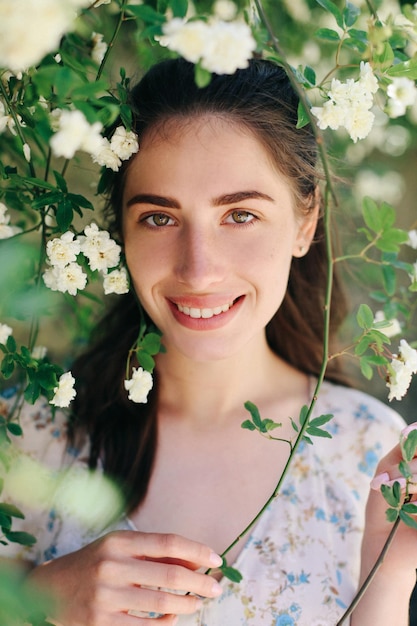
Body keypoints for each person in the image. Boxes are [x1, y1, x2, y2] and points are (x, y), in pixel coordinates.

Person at [1, 57, 416, 626]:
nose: (198, 271)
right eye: (158, 219)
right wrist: (35, 603)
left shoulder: (369, 452)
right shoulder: (28, 434)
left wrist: (388, 580)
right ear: (120, 228)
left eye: (240, 215)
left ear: (305, 219)